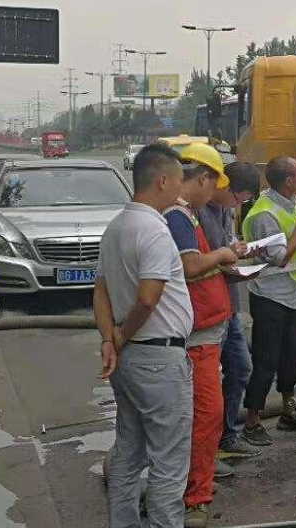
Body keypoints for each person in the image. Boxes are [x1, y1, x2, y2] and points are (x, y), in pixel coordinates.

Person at [94, 143, 194, 528]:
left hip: (130, 360)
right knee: (169, 464)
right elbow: (148, 299)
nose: (181, 191)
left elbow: (100, 289)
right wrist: (119, 334)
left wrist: (109, 338)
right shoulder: (153, 229)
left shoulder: (117, 225)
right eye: (179, 182)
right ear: (163, 180)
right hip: (157, 359)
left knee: (128, 453)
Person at [162, 143, 241, 527]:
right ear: (203, 178)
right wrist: (225, 256)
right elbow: (191, 266)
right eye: (213, 185)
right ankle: (195, 496)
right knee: (206, 416)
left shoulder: (187, 215)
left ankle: (192, 487)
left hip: (207, 330)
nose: (215, 195)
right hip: (197, 338)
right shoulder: (178, 216)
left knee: (203, 416)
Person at [240, 156, 296, 446]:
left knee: (292, 357)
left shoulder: (290, 203)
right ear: (288, 181)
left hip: (292, 293)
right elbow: (280, 257)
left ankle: (291, 413)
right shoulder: (264, 214)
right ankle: (252, 421)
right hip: (270, 296)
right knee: (266, 359)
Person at [198, 162, 262, 473]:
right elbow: (195, 263)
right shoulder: (195, 212)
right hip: (207, 311)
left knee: (240, 369)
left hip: (229, 306)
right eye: (239, 198)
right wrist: (226, 255)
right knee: (204, 386)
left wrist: (236, 249)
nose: (239, 205)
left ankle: (226, 437)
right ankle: (203, 456)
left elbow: (225, 246)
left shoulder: (225, 210)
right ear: (224, 185)